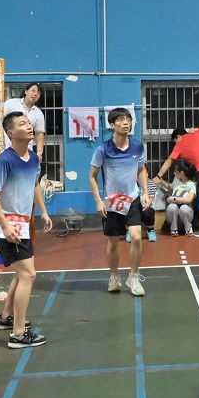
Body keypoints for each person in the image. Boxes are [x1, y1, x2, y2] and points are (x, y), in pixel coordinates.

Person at [0, 111, 53, 348]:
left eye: (29, 123)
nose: (29, 126)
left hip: (23, 225)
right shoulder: (4, 161)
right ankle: (18, 334)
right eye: (22, 124)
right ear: (11, 133)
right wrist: (5, 226)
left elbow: (34, 185)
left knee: (22, 274)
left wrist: (43, 211)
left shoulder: (33, 158)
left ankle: (6, 317)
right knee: (28, 275)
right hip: (9, 227)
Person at [89, 108, 150, 297]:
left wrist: (145, 192)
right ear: (112, 125)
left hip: (132, 198)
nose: (126, 123)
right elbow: (92, 176)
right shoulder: (103, 149)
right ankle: (114, 276)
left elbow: (141, 170)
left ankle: (133, 276)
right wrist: (98, 200)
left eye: (128, 120)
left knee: (136, 237)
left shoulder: (138, 147)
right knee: (113, 241)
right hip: (112, 201)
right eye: (121, 120)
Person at [154, 126, 199, 236]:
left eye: (175, 141)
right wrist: (194, 130)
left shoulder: (180, 145)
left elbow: (169, 162)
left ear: (178, 137)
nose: (176, 143)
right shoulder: (198, 133)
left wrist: (158, 176)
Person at [2, 83, 46, 159]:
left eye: (38, 93)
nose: (35, 94)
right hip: (6, 150)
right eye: (33, 91)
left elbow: (39, 134)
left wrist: (40, 153)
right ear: (26, 91)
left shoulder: (38, 113)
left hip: (26, 152)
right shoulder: (11, 103)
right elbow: (0, 121)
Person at [165, 160, 198, 237]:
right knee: (172, 207)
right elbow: (172, 190)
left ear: (181, 173)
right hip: (174, 213)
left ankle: (188, 229)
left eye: (176, 172)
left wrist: (174, 199)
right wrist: (163, 183)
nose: (174, 173)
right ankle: (173, 229)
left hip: (185, 213)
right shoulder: (176, 180)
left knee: (184, 208)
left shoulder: (191, 185)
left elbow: (189, 200)